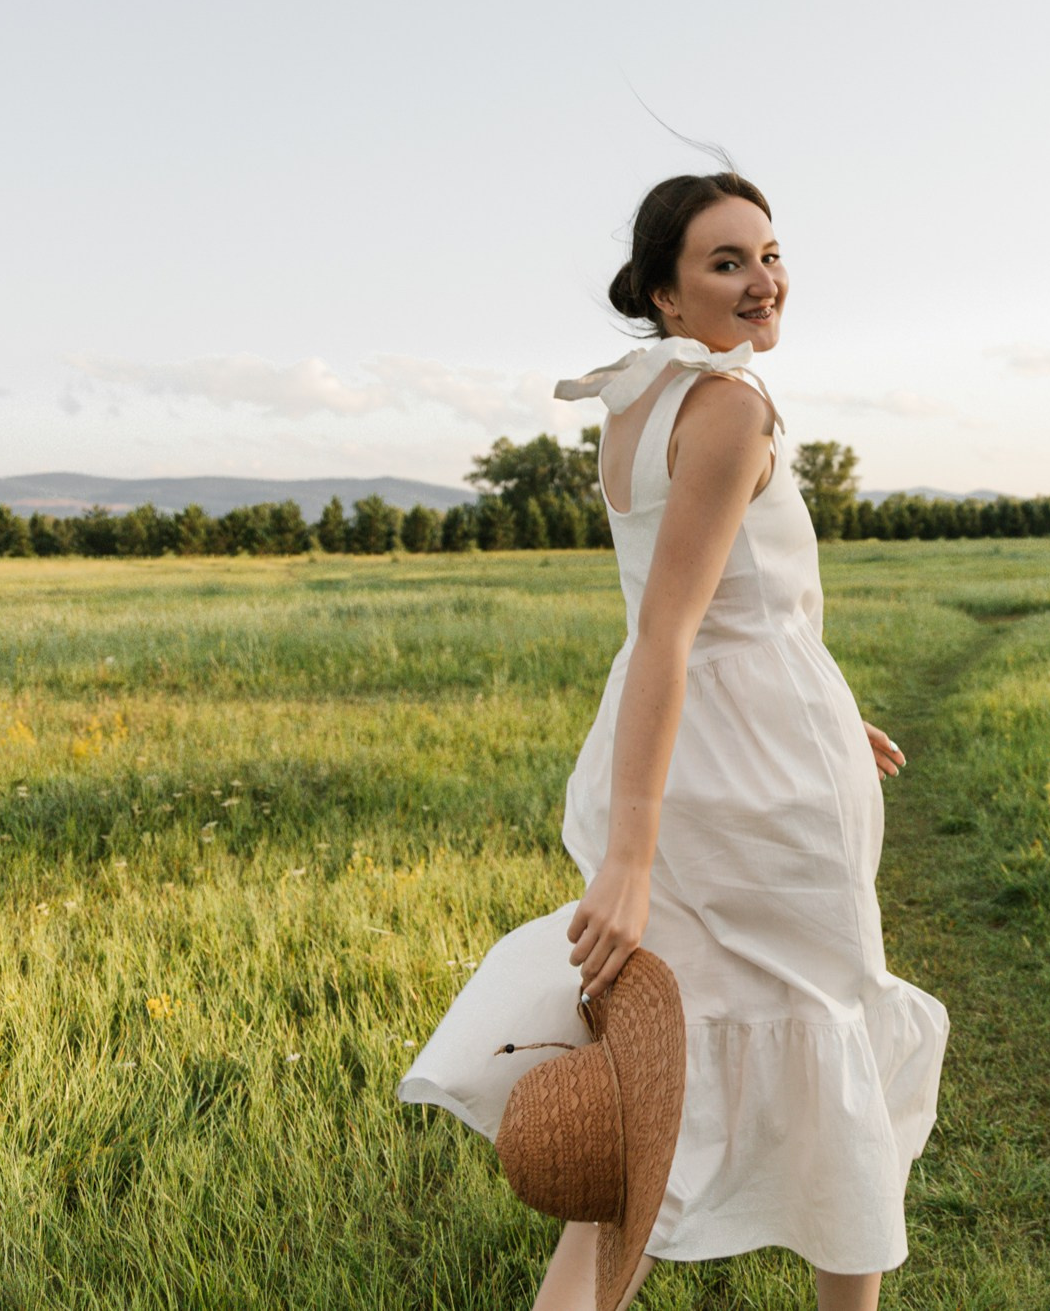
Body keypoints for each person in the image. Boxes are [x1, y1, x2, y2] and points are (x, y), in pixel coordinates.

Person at [398, 169, 951, 1311]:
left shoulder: (635, 404)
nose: (763, 281)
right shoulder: (732, 406)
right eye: (726, 263)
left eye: (769, 254)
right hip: (753, 779)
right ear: (663, 294)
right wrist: (631, 861)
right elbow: (673, 631)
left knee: (654, 1092)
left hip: (700, 746)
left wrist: (825, 704)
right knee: (829, 1032)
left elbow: (713, 606)